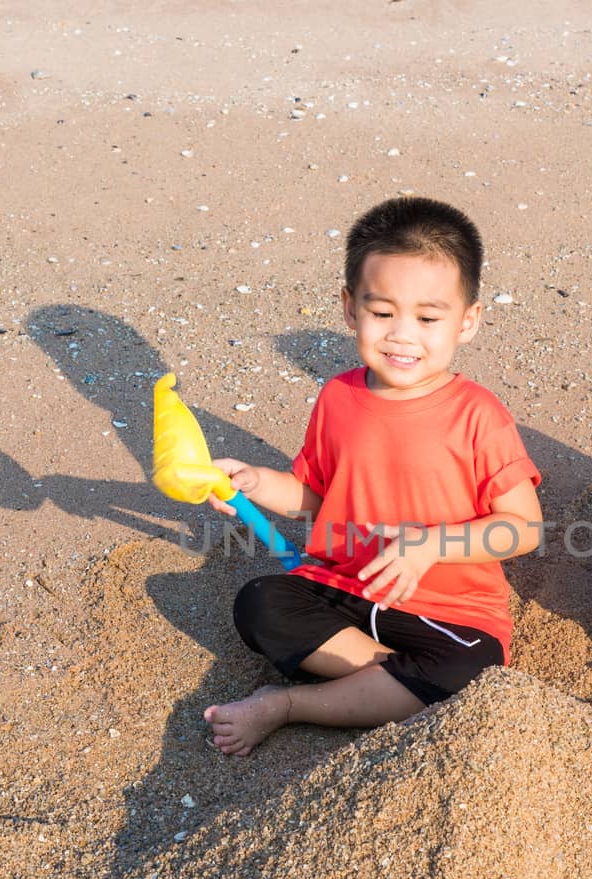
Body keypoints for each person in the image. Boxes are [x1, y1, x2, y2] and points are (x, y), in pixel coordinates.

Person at [201, 197, 543, 754]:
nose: (403, 335)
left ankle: (289, 704)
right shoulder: (338, 397)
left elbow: (521, 529)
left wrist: (430, 546)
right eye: (382, 312)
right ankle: (393, 685)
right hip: (347, 588)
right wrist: (256, 484)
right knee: (260, 602)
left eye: (429, 318)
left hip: (446, 610)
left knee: (472, 668)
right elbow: (317, 501)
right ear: (349, 307)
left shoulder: (478, 414)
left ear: (469, 321)